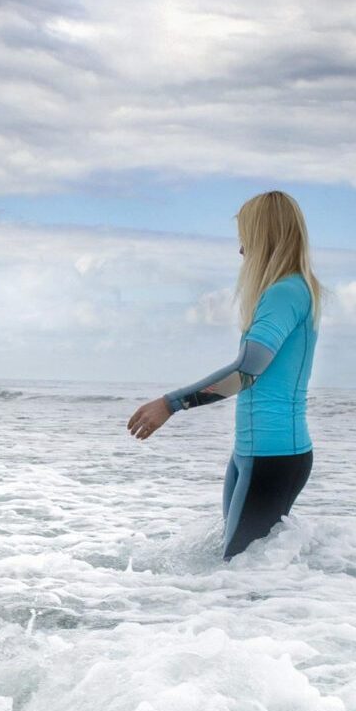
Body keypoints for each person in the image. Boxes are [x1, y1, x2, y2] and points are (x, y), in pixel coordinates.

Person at [126, 190, 320, 560]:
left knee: (238, 575)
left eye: (246, 238)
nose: (242, 251)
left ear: (265, 238)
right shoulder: (287, 291)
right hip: (254, 452)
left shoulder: (286, 293)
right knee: (233, 571)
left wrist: (171, 405)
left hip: (272, 454)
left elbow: (247, 372)